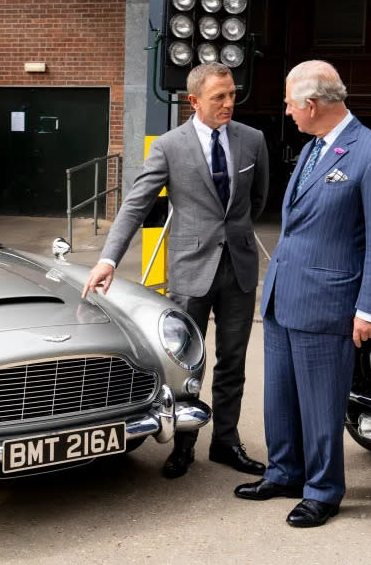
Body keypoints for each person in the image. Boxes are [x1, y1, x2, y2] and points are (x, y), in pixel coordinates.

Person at [234, 60, 371, 527]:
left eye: (289, 103)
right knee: (280, 399)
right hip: (283, 298)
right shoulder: (313, 147)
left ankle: (323, 490)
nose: (286, 111)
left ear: (312, 104)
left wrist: (370, 308)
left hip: (328, 303)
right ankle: (285, 471)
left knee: (321, 403)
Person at [82, 62, 269, 479]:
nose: (228, 103)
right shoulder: (169, 146)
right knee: (187, 363)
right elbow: (136, 203)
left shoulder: (252, 140)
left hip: (238, 267)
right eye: (218, 96)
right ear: (193, 101)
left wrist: (232, 234)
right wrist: (108, 259)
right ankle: (184, 446)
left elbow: (257, 201)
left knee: (233, 361)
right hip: (190, 270)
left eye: (232, 94)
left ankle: (226, 443)